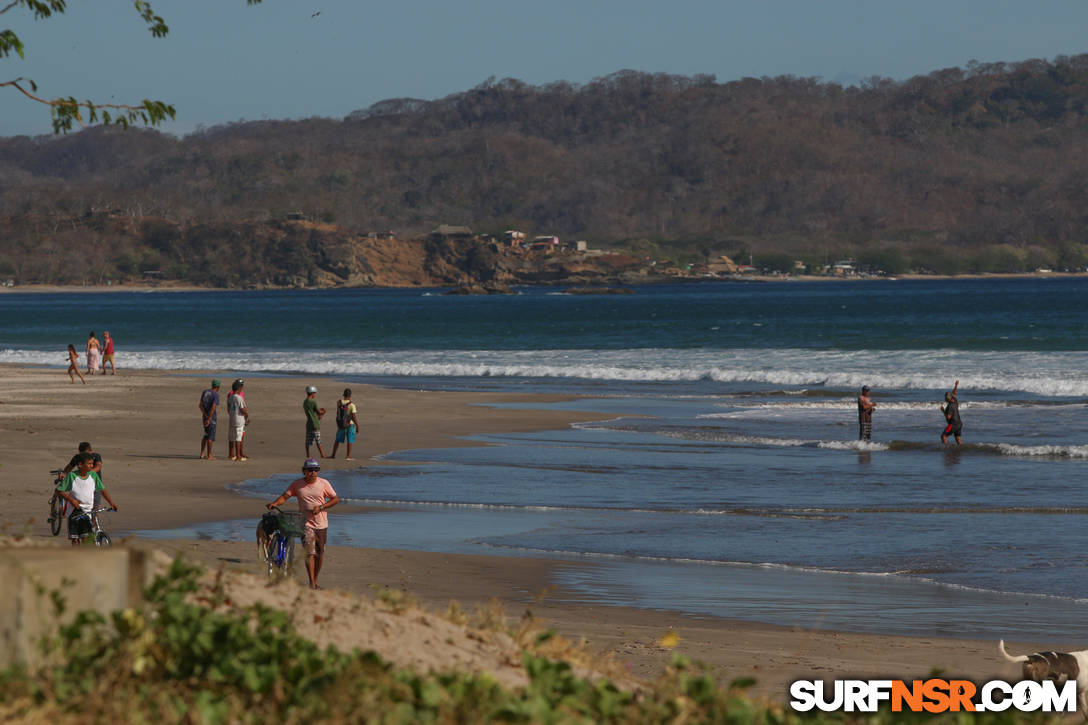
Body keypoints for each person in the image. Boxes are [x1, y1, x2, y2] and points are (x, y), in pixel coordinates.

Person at [266, 458, 339, 589]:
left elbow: (335, 499)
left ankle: (315, 580)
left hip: (322, 523)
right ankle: (311, 582)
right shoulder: (297, 484)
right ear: (304, 471)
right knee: (309, 552)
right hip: (305, 523)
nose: (313, 473)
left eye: (316, 470)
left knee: (320, 554)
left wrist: (321, 507)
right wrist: (275, 503)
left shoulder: (324, 483)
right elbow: (285, 496)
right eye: (310, 470)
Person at [54, 452, 119, 546]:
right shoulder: (72, 476)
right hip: (74, 511)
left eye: (92, 463)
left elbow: (102, 490)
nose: (91, 466)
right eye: (89, 464)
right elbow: (59, 490)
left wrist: (112, 503)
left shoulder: (93, 475)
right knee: (75, 538)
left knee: (86, 537)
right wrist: (72, 500)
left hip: (88, 510)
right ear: (80, 465)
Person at [329, 388, 360, 460]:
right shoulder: (352, 405)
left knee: (337, 440)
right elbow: (353, 416)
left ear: (344, 394)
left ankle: (333, 455)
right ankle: (348, 456)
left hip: (341, 424)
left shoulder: (339, 402)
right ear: (350, 395)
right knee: (350, 440)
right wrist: (357, 425)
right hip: (350, 424)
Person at [227, 378, 250, 461]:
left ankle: (231, 455)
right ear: (239, 388)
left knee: (231, 437)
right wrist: (246, 416)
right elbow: (243, 409)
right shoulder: (239, 398)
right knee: (238, 438)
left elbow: (228, 408)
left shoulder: (230, 397)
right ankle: (238, 456)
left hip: (232, 419)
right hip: (239, 420)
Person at [199, 379, 221, 460]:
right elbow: (213, 408)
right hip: (211, 418)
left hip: (204, 416)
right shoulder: (215, 395)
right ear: (218, 387)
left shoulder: (205, 392)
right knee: (210, 437)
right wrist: (209, 418)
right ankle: (209, 455)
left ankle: (202, 453)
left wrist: (205, 415)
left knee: (206, 435)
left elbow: (200, 405)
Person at [303, 385, 327, 459]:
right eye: (314, 393)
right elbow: (318, 412)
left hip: (309, 422)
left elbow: (312, 411)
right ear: (312, 393)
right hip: (315, 423)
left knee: (308, 440)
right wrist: (323, 411)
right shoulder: (313, 402)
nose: (315, 394)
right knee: (318, 440)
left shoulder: (305, 402)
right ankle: (322, 455)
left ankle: (308, 455)